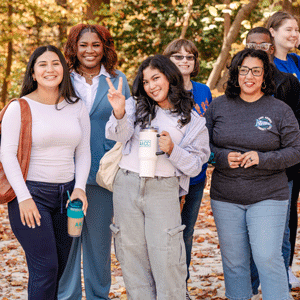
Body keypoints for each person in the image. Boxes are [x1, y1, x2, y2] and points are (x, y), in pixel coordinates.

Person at [105, 54, 210, 300]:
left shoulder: (193, 121)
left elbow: (196, 165)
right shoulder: (134, 105)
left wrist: (173, 150)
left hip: (164, 189)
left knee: (167, 257)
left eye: (156, 78)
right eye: (146, 82)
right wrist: (119, 113)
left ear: (170, 77)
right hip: (127, 184)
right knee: (131, 256)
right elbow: (116, 135)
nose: (151, 86)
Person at [205, 48, 300, 300]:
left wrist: (263, 158)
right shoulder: (217, 107)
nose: (249, 76)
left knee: (267, 256)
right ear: (235, 74)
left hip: (269, 194)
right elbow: (202, 147)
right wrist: (223, 157)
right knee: (235, 262)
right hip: (226, 196)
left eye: (256, 71)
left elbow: (295, 151)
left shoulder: (279, 110)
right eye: (243, 70)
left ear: (264, 75)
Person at [0, 45, 91, 300]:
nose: (50, 69)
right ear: (33, 72)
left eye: (55, 63)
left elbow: (83, 152)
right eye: (42, 64)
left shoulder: (77, 106)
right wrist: (24, 197)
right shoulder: (19, 107)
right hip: (31, 195)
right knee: (46, 268)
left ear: (63, 69)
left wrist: (80, 187)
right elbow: (6, 154)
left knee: (58, 269)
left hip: (67, 198)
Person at [58, 24, 131, 300]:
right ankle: (68, 296)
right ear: (74, 48)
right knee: (68, 242)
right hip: (65, 174)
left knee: (99, 246)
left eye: (96, 45)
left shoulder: (118, 79)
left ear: (105, 48)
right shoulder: (61, 79)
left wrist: (121, 110)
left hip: (102, 177)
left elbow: (127, 129)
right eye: (83, 44)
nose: (90, 50)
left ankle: (100, 296)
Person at [245, 27, 300, 299]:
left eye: (264, 45)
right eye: (252, 44)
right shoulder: (236, 79)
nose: (258, 49)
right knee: (247, 236)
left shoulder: (288, 82)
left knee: (280, 232)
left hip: (281, 170)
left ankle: (278, 286)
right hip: (244, 173)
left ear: (271, 49)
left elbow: (295, 130)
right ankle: (251, 288)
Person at [163, 38, 212, 299]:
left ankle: (181, 286)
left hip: (195, 174)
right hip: (166, 174)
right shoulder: (161, 89)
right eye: (178, 57)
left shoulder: (204, 91)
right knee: (165, 231)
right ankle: (164, 285)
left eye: (189, 57)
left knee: (186, 231)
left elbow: (208, 130)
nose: (184, 61)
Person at [266, 11, 300, 288]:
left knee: (293, 210)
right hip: (281, 147)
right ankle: (277, 267)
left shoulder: (297, 62)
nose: (294, 34)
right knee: (283, 208)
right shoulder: (266, 67)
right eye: (288, 29)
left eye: (297, 30)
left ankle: (285, 265)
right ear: (272, 32)